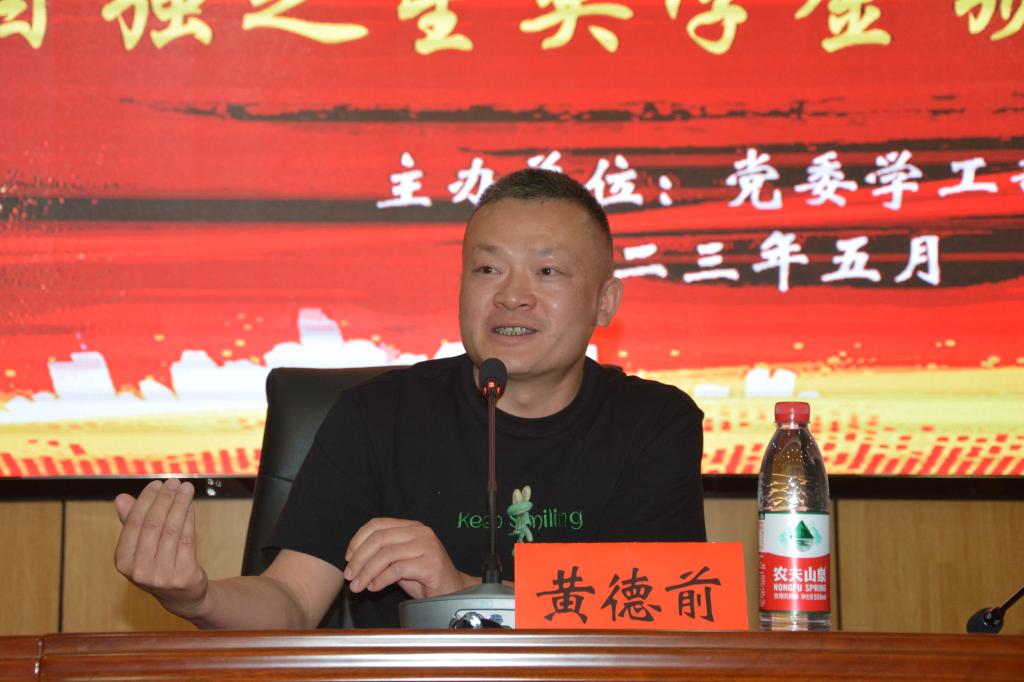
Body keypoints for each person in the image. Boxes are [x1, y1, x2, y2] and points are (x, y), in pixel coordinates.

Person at [113, 168, 706, 629]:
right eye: (487, 270)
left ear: (605, 302)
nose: (512, 296)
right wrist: (198, 598)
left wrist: (462, 593)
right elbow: (289, 600)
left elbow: (667, 611)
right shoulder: (378, 415)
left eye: (547, 272)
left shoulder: (653, 423)